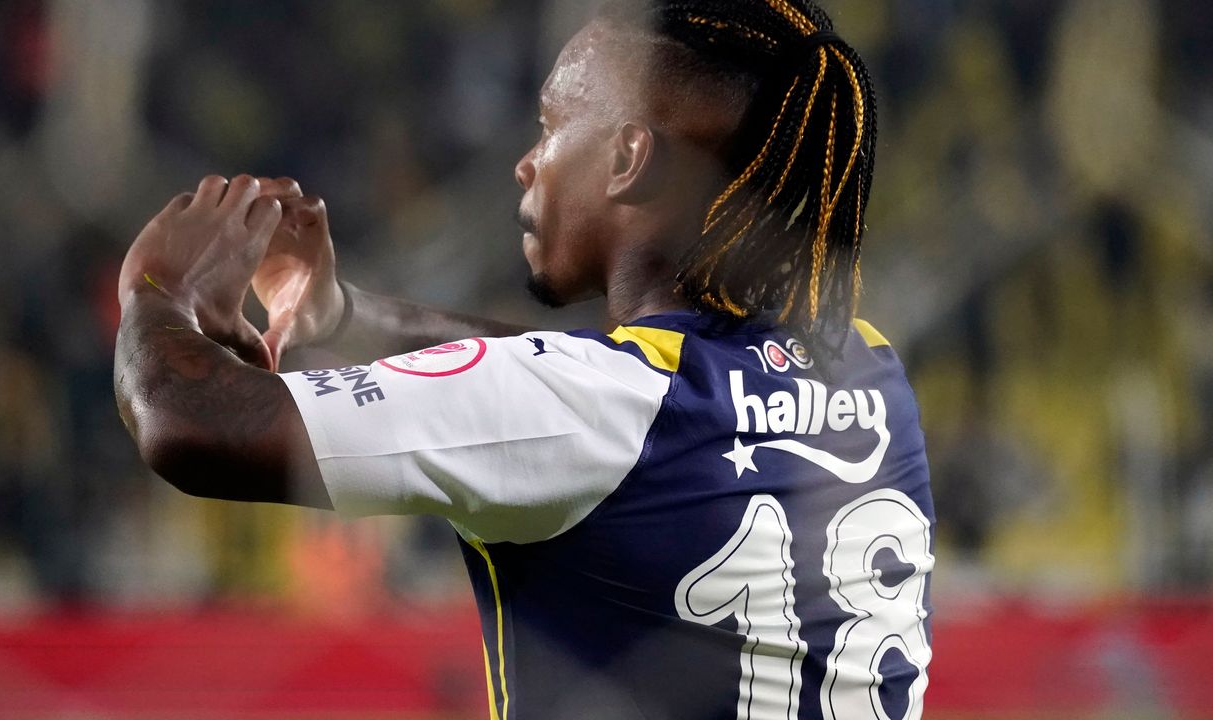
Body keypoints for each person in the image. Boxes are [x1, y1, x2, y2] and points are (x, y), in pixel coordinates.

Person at [114, 1, 935, 718]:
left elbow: (189, 423)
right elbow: (564, 379)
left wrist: (157, 288)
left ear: (626, 159)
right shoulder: (868, 372)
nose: (525, 162)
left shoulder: (596, 410)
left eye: (550, 126)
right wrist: (341, 315)